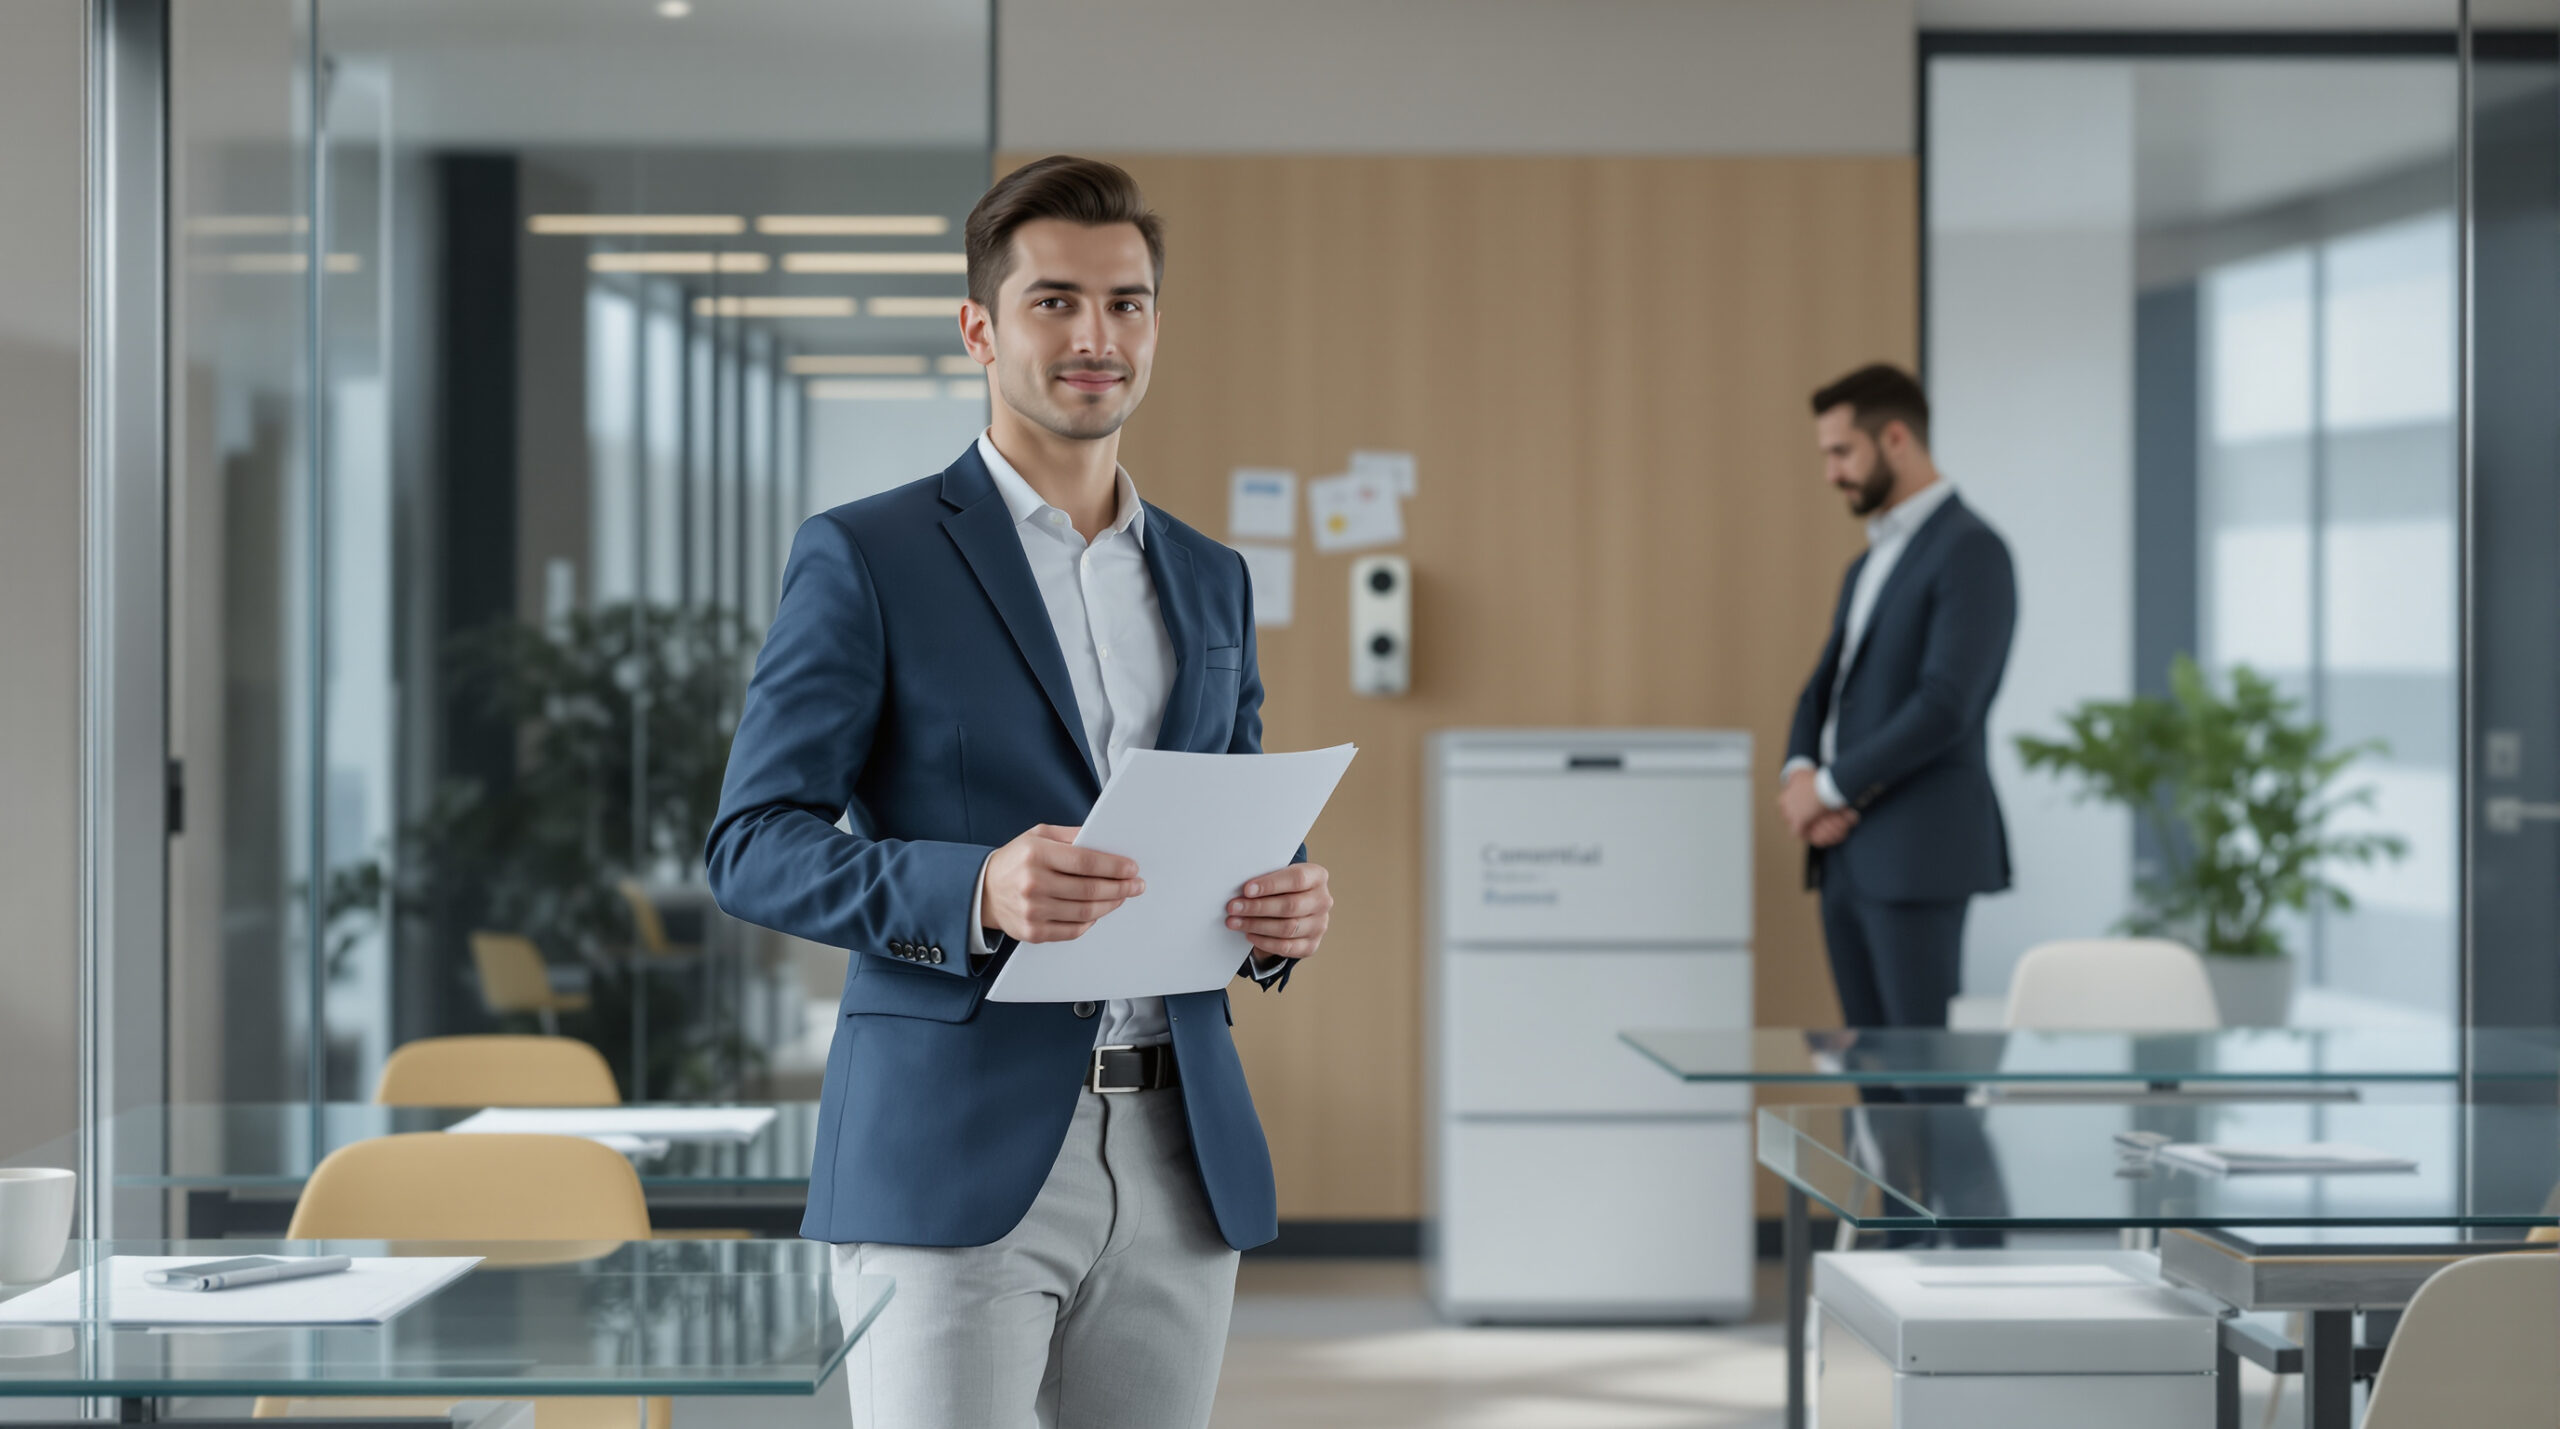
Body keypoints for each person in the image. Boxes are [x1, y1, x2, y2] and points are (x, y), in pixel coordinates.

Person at [704, 155, 1331, 1429]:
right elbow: (750, 844)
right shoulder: (868, 554)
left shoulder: (1211, 579)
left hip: (1177, 1147)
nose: (1096, 337)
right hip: (951, 1148)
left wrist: (1280, 912)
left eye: (1127, 303)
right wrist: (977, 885)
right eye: (1054, 302)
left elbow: (1236, 811)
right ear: (980, 329)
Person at [1779, 363, 2014, 1245]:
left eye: (1841, 450)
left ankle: (1981, 1257)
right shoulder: (1873, 558)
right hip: (1845, 857)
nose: (1833, 469)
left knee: (1928, 1079)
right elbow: (1825, 688)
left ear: (1895, 437)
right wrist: (1800, 774)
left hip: (1917, 855)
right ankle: (1905, 1259)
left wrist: (1833, 789)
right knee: (1877, 1076)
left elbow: (1947, 704)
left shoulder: (1971, 550)